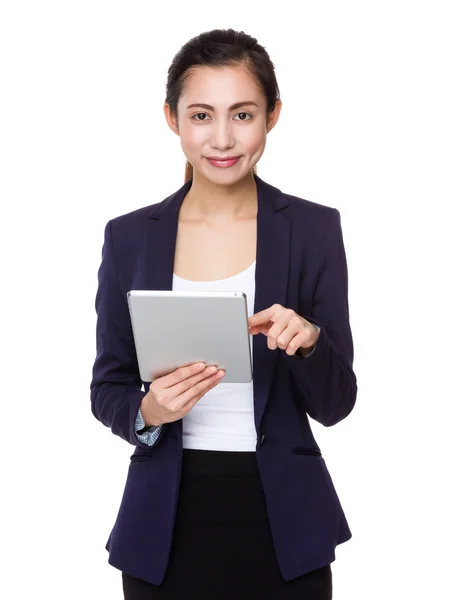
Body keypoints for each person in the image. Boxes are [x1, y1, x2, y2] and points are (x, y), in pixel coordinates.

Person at [90, 28, 357, 600]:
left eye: (242, 114)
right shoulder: (130, 237)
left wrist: (309, 342)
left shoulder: (312, 230)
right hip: (163, 521)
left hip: (286, 519)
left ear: (272, 115)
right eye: (201, 115)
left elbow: (336, 404)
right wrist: (148, 410)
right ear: (172, 118)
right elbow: (107, 384)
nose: (222, 138)